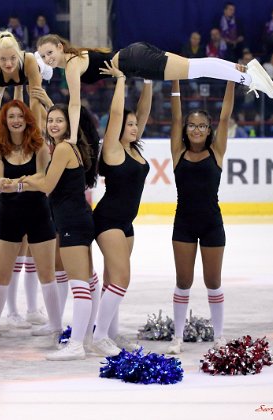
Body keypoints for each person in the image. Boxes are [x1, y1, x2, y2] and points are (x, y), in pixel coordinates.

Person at [36, 34, 273, 147]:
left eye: (50, 53)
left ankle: (248, 76)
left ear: (60, 47)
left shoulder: (71, 65)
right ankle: (245, 72)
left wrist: (72, 137)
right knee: (196, 66)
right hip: (135, 55)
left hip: (135, 61)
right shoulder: (76, 56)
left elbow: (75, 103)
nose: (48, 59)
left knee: (196, 68)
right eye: (44, 56)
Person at [9, 103, 99, 360]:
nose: (53, 125)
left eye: (59, 120)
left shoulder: (62, 149)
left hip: (72, 223)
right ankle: (87, 338)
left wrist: (21, 183)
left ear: (69, 124)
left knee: (79, 285)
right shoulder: (68, 147)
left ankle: (77, 345)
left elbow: (47, 185)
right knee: (87, 281)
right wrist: (20, 182)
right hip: (76, 220)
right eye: (50, 120)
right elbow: (46, 178)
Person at [166, 76, 240, 355]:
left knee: (213, 282)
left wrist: (232, 81)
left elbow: (225, 117)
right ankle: (177, 338)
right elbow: (175, 118)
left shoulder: (216, 151)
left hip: (212, 225)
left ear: (209, 131)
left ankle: (219, 337)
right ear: (186, 130)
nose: (196, 129)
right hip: (183, 225)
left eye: (202, 126)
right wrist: (174, 81)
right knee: (183, 282)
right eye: (192, 125)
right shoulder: (178, 152)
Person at [0, 100, 62, 348]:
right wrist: (16, 182)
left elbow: (43, 177)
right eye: (11, 117)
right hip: (7, 215)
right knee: (1, 275)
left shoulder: (39, 145)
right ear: (4, 121)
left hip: (39, 213)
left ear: (27, 119)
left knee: (47, 274)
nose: (16, 120)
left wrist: (16, 184)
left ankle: (57, 329)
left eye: (20, 116)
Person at [91, 61, 151, 356]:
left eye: (135, 125)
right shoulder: (113, 149)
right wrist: (121, 80)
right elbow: (117, 114)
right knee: (122, 279)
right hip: (109, 221)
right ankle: (99, 336)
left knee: (112, 280)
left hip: (126, 224)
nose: (135, 127)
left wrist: (149, 82)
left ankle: (110, 334)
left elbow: (143, 112)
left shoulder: (133, 148)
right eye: (130, 125)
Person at [0, 32, 48, 129]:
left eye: (13, 58)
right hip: (8, 79)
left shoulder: (28, 60)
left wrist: (36, 131)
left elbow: (35, 101)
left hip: (33, 71)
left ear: (18, 54)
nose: (8, 64)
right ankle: (16, 86)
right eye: (3, 59)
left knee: (33, 95)